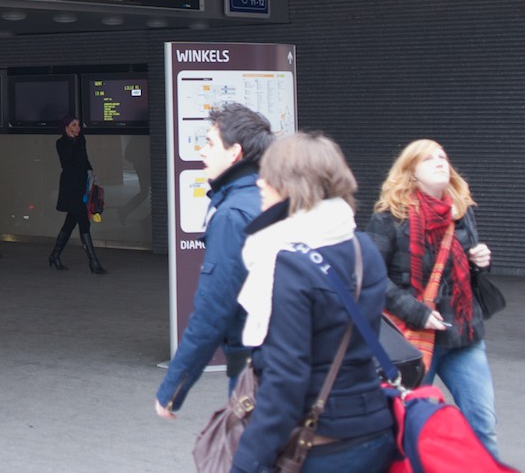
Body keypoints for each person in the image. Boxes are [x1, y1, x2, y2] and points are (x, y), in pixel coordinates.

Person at [231, 131, 395, 473]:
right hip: (374, 430)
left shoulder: (288, 262)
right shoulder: (363, 248)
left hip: (321, 445)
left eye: (269, 176)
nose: (260, 183)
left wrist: (247, 462)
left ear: (292, 185)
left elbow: (286, 376)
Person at [368, 140, 500, 459]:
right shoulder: (390, 217)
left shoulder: (461, 212)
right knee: (410, 426)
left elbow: (464, 273)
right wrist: (417, 312)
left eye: (443, 157)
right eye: (429, 159)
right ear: (411, 172)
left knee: (482, 424)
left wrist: (480, 263)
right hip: (412, 340)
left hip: (463, 335)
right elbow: (371, 277)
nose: (441, 162)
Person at [155, 102, 275, 419]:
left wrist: (172, 389)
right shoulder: (274, 198)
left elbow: (213, 309)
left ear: (234, 152)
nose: (202, 151)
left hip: (255, 365)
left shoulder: (233, 214)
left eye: (210, 143)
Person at [50, 116, 106, 273]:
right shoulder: (61, 143)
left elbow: (85, 160)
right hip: (70, 187)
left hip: (83, 184)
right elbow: (66, 161)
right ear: (66, 127)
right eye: (74, 125)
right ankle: (93, 262)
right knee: (83, 222)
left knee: (70, 222)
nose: (78, 128)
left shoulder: (81, 140)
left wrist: (91, 175)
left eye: (78, 125)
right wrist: (72, 141)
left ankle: (55, 255)